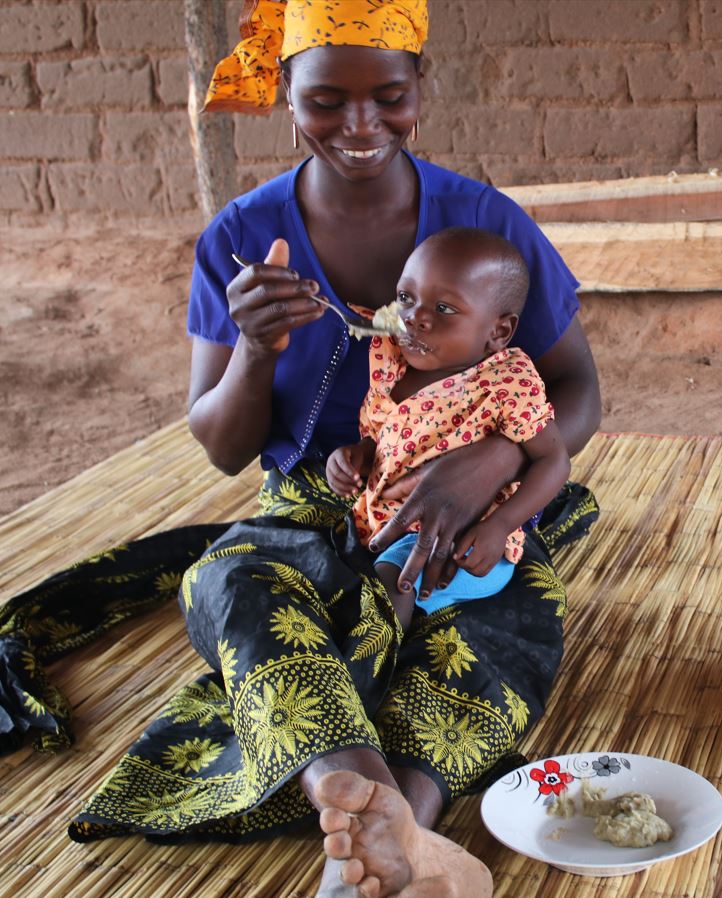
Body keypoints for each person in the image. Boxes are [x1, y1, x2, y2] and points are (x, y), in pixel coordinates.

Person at [0, 3, 601, 897]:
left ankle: (394, 828)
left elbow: (578, 392)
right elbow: (219, 448)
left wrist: (497, 462)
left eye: (387, 95)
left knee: (508, 619)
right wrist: (253, 349)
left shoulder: (485, 224)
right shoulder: (241, 240)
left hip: (470, 505)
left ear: (420, 89)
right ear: (285, 94)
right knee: (229, 580)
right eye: (326, 101)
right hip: (313, 505)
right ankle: (362, 811)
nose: (360, 126)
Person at [326, 228, 571, 631]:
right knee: (356, 573)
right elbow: (383, 438)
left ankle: (368, 666)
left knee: (392, 585)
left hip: (460, 542)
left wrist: (499, 526)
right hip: (383, 523)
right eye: (406, 298)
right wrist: (356, 456)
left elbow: (553, 459)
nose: (415, 318)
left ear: (498, 332)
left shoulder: (504, 383)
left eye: (443, 308)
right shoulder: (394, 368)